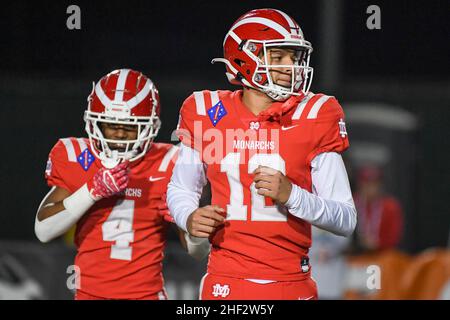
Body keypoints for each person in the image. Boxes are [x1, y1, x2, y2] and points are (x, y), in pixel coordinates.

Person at [167, 8, 357, 300]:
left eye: (293, 58)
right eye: (278, 56)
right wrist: (188, 216)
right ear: (245, 58)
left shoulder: (316, 113)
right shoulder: (204, 111)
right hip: (225, 280)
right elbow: (181, 187)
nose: (290, 66)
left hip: (291, 280)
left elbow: (345, 218)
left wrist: (293, 195)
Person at [35, 69, 181, 300]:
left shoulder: (170, 162)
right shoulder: (75, 154)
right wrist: (91, 191)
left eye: (130, 126)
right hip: (88, 295)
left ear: (150, 126)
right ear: (95, 123)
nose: (120, 135)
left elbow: (197, 250)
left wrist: (183, 214)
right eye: (111, 125)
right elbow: (43, 231)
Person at [353, 165, 404, 252]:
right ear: (360, 184)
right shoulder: (351, 204)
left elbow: (395, 236)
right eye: (366, 183)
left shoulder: (390, 206)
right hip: (355, 255)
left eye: (374, 184)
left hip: (383, 254)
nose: (370, 188)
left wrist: (378, 242)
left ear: (380, 185)